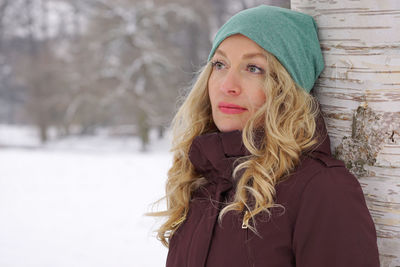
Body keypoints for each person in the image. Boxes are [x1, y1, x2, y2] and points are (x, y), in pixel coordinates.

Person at [150, 5, 380, 267]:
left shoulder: (322, 189)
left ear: (287, 87)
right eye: (220, 64)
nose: (227, 85)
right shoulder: (202, 176)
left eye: (253, 68)